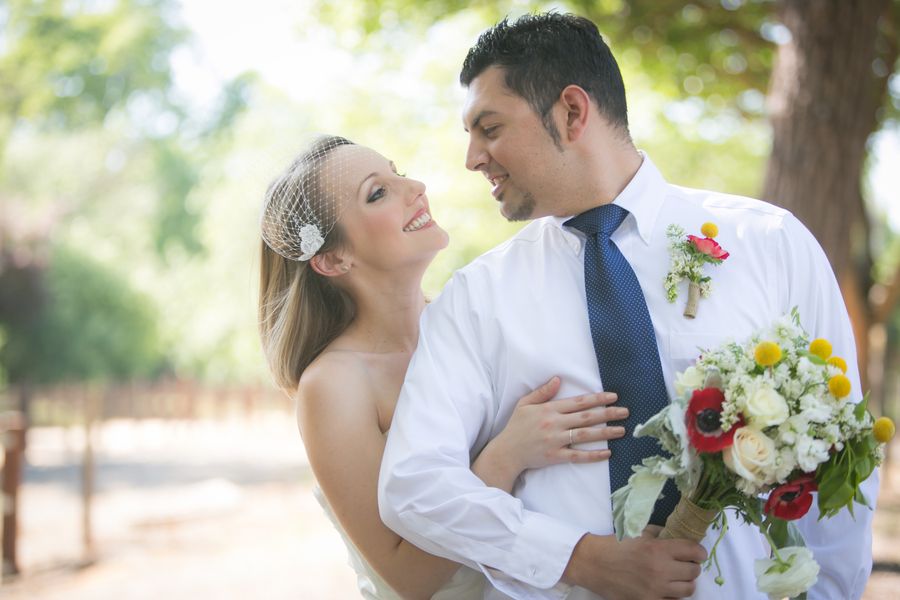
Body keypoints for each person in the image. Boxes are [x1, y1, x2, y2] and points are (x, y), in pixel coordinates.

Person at [378, 12, 877, 600]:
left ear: (571, 112)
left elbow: (841, 456)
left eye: (488, 128)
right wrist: (579, 559)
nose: (472, 157)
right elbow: (413, 484)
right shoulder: (475, 298)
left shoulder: (769, 243)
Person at [257, 135, 629, 599]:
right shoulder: (335, 386)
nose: (415, 186)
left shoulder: (471, 324)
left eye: (398, 171)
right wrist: (506, 455)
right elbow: (409, 578)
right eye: (378, 192)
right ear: (334, 258)